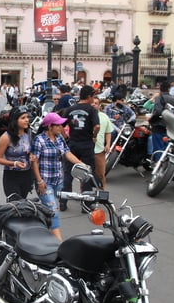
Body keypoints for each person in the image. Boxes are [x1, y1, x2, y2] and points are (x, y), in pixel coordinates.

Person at [31, 112, 86, 241]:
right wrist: (39, 181)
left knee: (49, 209)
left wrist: (82, 164)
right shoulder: (39, 140)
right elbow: (34, 162)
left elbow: (67, 153)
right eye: (58, 125)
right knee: (53, 210)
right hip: (45, 181)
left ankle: (42, 228)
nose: (61, 128)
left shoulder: (60, 138)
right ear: (50, 126)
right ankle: (58, 242)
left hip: (58, 180)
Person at [62, 85, 100, 213]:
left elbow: (60, 124)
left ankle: (63, 201)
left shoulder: (70, 109)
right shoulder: (91, 109)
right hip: (86, 144)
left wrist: (65, 136)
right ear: (89, 96)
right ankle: (87, 204)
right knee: (87, 173)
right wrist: (94, 136)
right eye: (93, 96)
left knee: (68, 172)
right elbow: (97, 127)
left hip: (72, 144)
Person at [0, 106, 33, 200]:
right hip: (11, 176)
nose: (27, 120)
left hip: (27, 175)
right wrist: (14, 163)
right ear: (15, 120)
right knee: (15, 206)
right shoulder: (6, 137)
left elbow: (29, 151)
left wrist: (32, 156)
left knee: (23, 205)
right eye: (23, 118)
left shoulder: (29, 134)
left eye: (27, 117)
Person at [148, 80, 174, 160]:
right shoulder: (173, 99)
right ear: (168, 89)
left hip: (158, 125)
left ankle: (158, 164)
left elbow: (157, 112)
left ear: (160, 89)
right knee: (166, 146)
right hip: (168, 125)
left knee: (158, 147)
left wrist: (151, 120)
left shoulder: (159, 98)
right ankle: (166, 163)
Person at [93, 95, 115, 190]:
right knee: (85, 175)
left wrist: (108, 144)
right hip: (87, 150)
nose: (93, 105)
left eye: (96, 103)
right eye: (92, 103)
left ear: (99, 105)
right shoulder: (86, 116)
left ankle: (102, 193)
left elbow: (108, 132)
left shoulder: (104, 117)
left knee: (101, 174)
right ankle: (84, 194)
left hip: (99, 151)